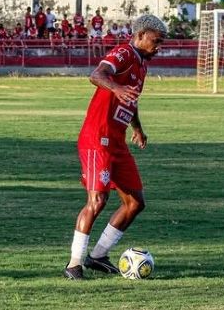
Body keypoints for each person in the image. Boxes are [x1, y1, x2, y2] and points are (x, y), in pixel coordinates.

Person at [63, 14, 167, 280]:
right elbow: (97, 74)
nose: (159, 47)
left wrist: (138, 128)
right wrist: (116, 88)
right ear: (141, 35)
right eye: (155, 41)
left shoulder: (142, 65)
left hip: (118, 141)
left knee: (135, 202)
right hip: (97, 138)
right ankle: (74, 264)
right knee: (98, 200)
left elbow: (130, 100)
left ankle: (97, 256)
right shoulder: (124, 53)